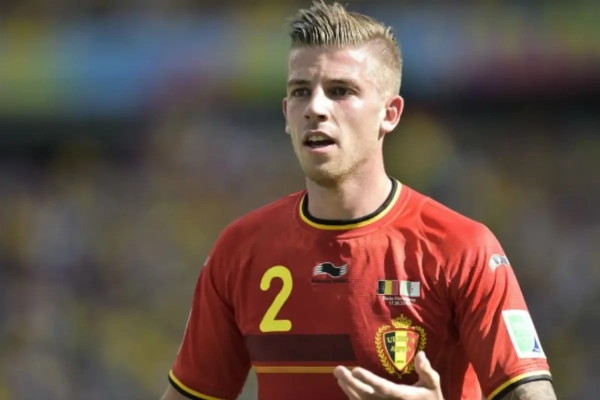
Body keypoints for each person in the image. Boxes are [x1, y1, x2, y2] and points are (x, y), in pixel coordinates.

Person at [161, 1, 556, 399]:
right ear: (286, 113)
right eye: (301, 92)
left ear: (390, 113)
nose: (315, 108)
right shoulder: (240, 249)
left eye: (340, 91)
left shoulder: (462, 248)